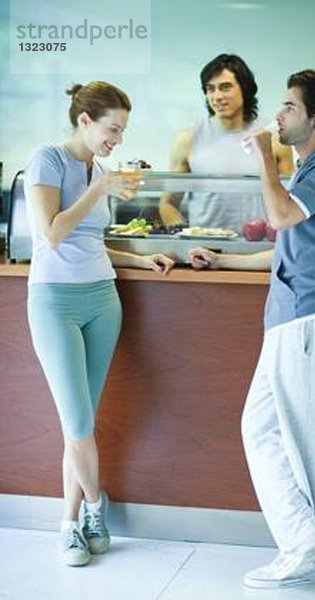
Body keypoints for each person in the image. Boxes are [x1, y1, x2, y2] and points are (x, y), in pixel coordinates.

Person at [189, 69, 315, 589]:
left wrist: (264, 156)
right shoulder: (312, 166)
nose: (278, 115)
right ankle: (305, 545)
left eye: (289, 106)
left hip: (308, 314)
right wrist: (222, 262)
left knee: (297, 438)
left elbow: (281, 216)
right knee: (263, 430)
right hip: (293, 314)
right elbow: (286, 245)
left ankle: (304, 550)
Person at [24, 81, 174, 568]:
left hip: (102, 298)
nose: (118, 140)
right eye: (113, 129)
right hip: (54, 302)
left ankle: (71, 525)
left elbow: (88, 239)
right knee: (79, 422)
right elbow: (51, 233)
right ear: (85, 121)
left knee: (80, 428)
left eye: (123, 131)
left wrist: (135, 258)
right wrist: (98, 188)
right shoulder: (49, 159)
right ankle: (95, 504)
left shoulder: (100, 169)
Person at [159, 53, 293, 231]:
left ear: (244, 89)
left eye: (225, 87)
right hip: (204, 250)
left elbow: (289, 201)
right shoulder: (187, 139)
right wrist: (186, 235)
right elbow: (168, 204)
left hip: (259, 250)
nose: (217, 96)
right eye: (210, 89)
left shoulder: (273, 138)